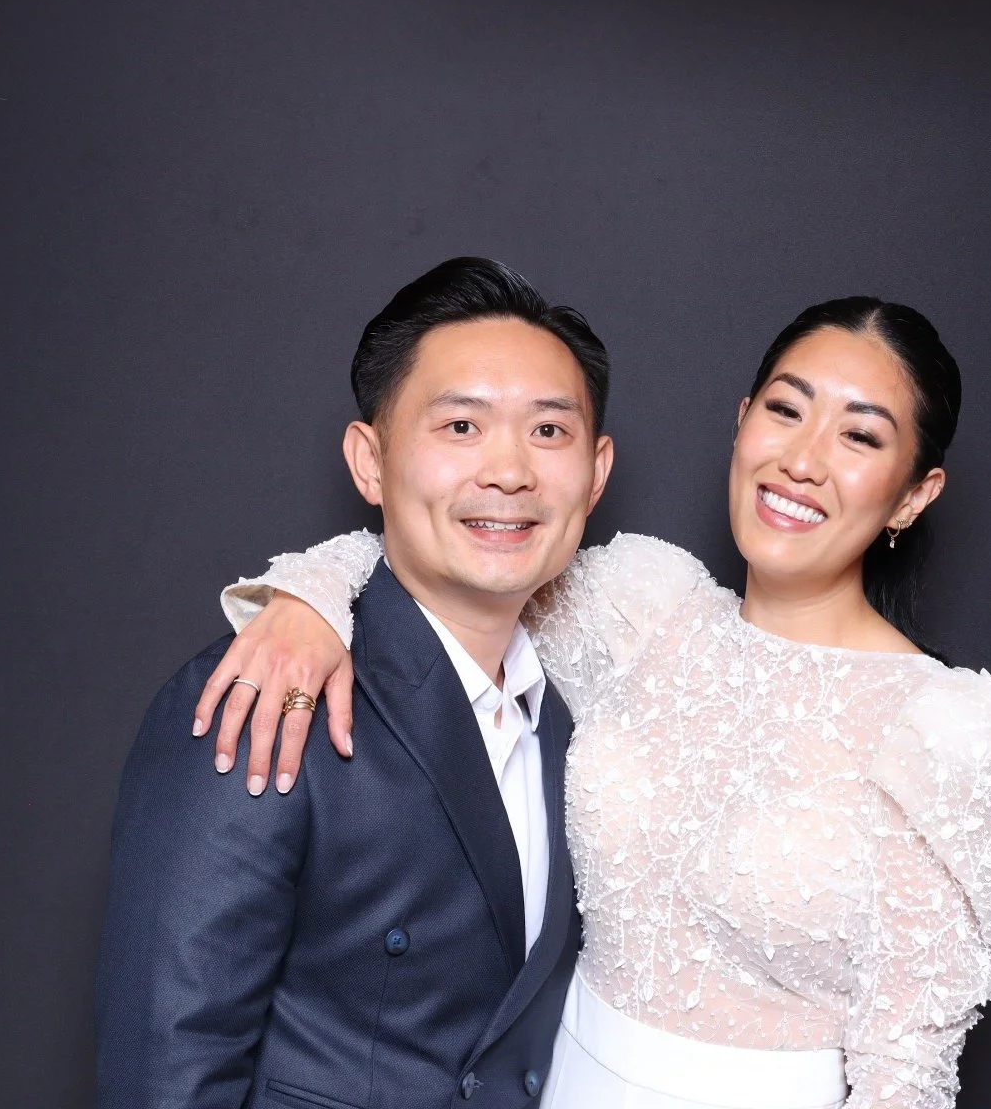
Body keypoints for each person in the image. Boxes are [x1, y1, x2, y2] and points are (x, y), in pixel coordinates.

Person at [200, 298, 991, 1108]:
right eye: (787, 412)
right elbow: (459, 558)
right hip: (558, 1081)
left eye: (860, 436)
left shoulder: (950, 732)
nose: (803, 459)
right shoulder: (646, 611)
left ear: (914, 493)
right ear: (743, 417)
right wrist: (308, 600)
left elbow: (905, 1071)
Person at [95, 257, 615, 1107]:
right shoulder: (266, 695)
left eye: (548, 432)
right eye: (460, 428)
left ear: (595, 473)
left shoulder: (588, 713)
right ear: (369, 461)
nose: (511, 472)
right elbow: (167, 1069)